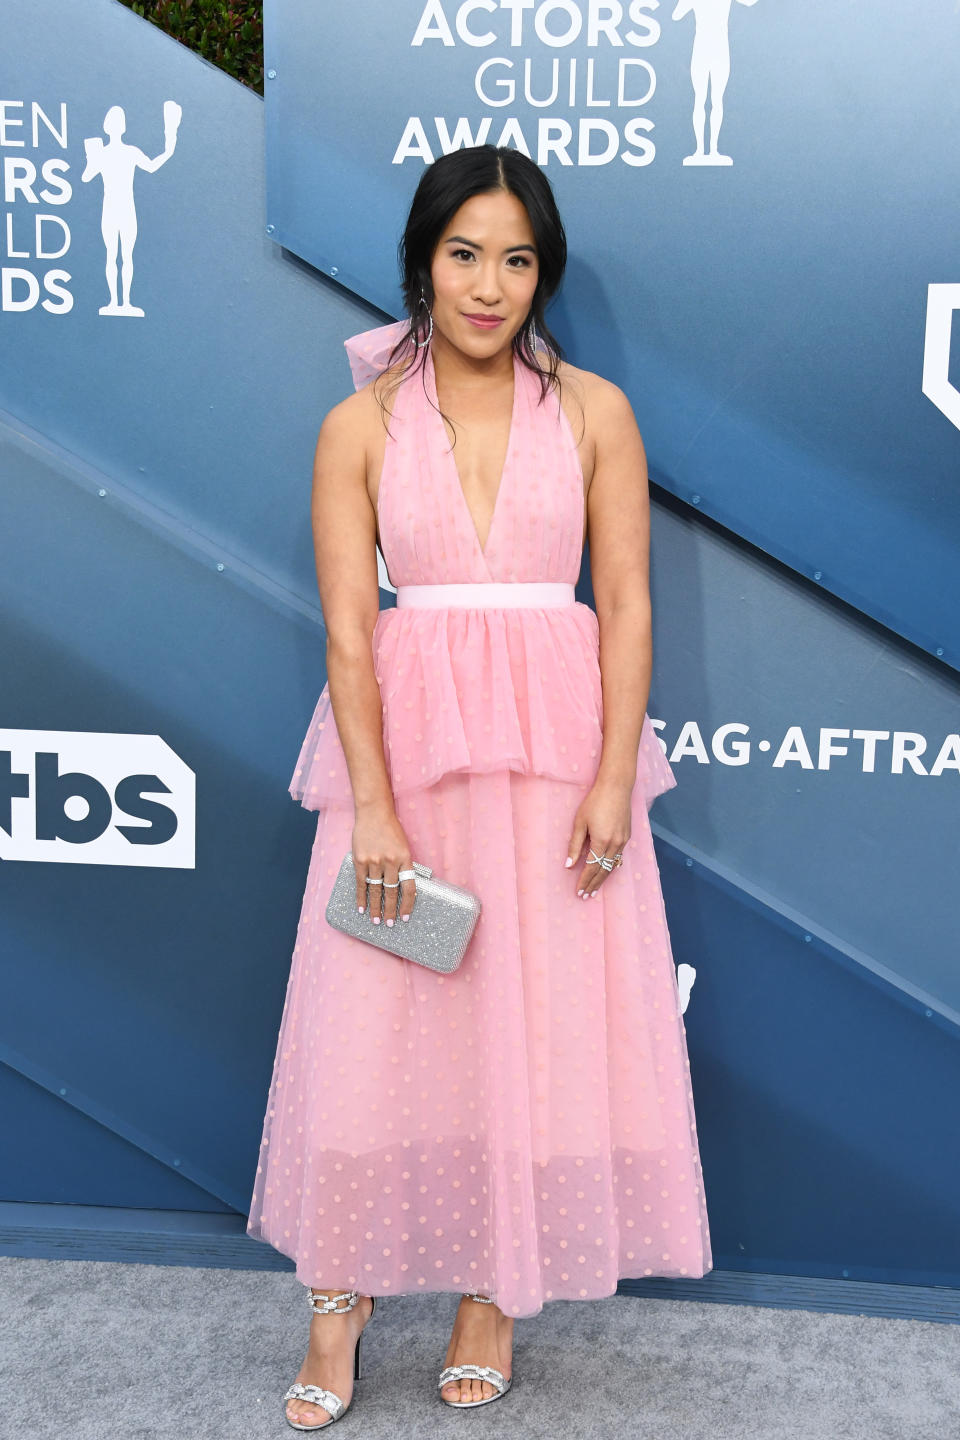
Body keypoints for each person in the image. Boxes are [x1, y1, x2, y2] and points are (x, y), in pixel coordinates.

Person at [246, 143, 712, 1431]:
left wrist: (616, 779)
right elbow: (351, 633)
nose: (489, 284)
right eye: (465, 254)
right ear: (423, 260)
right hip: (407, 762)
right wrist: (377, 808)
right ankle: (336, 1309)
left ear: (541, 273)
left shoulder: (598, 414)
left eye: (516, 258)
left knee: (529, 1029)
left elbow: (623, 603)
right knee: (374, 1031)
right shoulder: (361, 423)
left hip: (558, 762)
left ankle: (488, 1296)